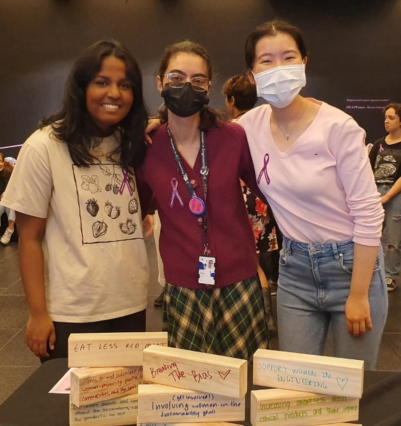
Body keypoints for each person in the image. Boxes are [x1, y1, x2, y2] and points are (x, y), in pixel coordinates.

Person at [240, 20, 386, 367]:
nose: (279, 69)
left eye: (288, 57)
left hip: (350, 266)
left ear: (304, 63)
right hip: (294, 271)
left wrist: (359, 293)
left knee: (351, 391)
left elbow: (369, 213)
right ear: (251, 74)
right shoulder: (248, 126)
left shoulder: (338, 128)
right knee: (295, 389)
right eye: (266, 61)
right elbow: (206, 139)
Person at [2, 39, 150, 361]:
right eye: (102, 82)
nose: (114, 93)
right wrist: (38, 315)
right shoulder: (44, 146)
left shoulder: (132, 144)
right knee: (68, 409)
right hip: (72, 314)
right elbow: (28, 238)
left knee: (124, 405)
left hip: (131, 303)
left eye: (125, 85)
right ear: (81, 87)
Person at [137, 41, 268, 359]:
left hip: (239, 279)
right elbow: (136, 211)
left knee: (244, 377)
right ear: (160, 83)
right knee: (192, 385)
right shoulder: (147, 148)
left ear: (209, 87)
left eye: (198, 80)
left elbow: (270, 191)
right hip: (182, 284)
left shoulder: (232, 137)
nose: (187, 86)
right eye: (176, 78)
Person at [224, 74, 280, 332]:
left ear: (231, 100)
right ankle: (266, 318)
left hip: (235, 200)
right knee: (258, 261)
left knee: (245, 262)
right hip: (262, 200)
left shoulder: (229, 130)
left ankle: (248, 317)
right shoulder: (266, 127)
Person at [369, 103, 401, 291]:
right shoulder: (379, 144)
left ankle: (390, 275)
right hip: (376, 191)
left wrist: (388, 196)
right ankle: (372, 272)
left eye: (391, 118)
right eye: (386, 118)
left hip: (397, 195)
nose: (386, 121)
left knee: (393, 240)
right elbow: (368, 169)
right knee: (370, 236)